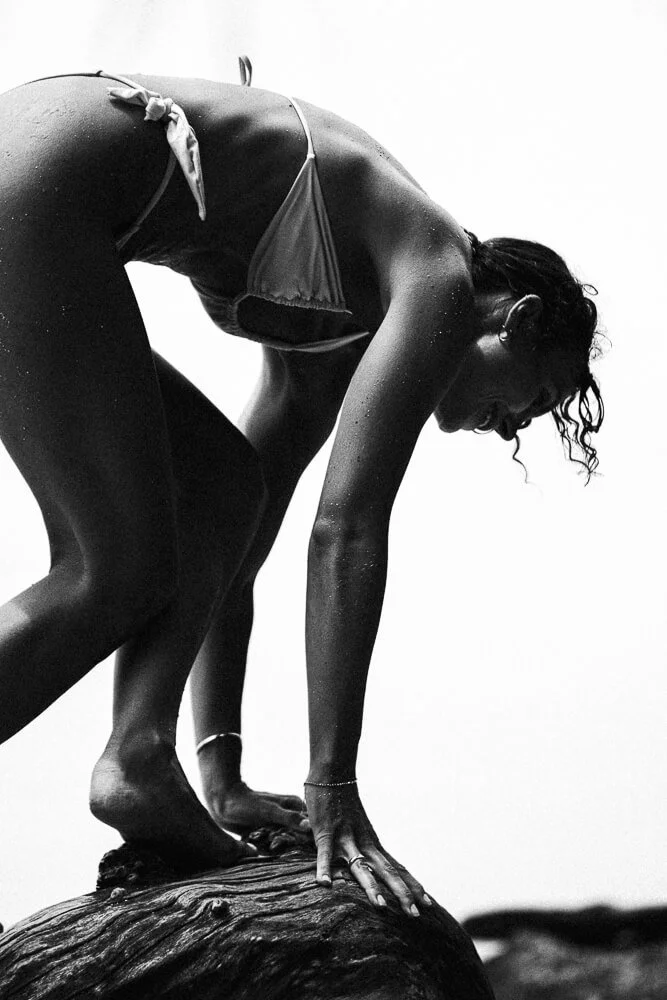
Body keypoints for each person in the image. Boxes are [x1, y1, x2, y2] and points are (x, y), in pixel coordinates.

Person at [0, 64, 602, 917]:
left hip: (41, 186)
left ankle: (141, 760)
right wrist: (333, 785)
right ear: (520, 318)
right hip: (36, 173)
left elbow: (235, 551)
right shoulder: (439, 274)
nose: (510, 426)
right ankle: (139, 759)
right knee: (114, 568)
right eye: (532, 398)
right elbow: (346, 531)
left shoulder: (326, 344)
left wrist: (225, 776)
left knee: (221, 485)